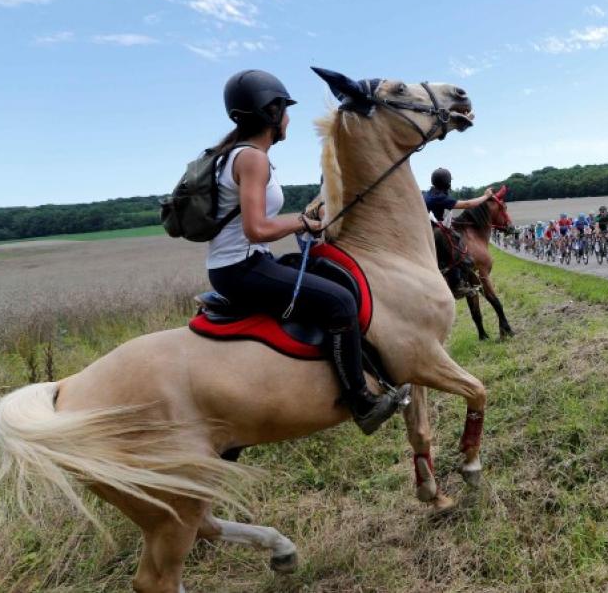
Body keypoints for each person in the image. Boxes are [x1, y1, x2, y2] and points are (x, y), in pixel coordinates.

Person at [205, 69, 407, 436]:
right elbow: (257, 229)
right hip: (241, 268)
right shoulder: (252, 158)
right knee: (339, 302)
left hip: (243, 263)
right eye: (284, 110)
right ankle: (361, 402)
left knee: (322, 273)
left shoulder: (233, 155)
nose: (288, 118)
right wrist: (302, 223)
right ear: (271, 112)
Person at [423, 167, 494, 296]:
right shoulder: (439, 197)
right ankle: (457, 285)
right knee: (454, 242)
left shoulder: (431, 193)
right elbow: (467, 204)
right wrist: (486, 196)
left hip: (427, 228)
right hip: (431, 231)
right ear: (447, 183)